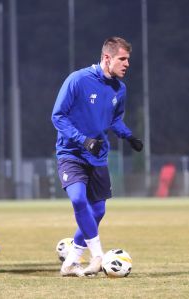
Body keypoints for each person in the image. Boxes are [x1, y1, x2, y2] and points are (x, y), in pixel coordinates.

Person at [51, 36, 143, 277]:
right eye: (122, 59)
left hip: (98, 156)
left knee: (98, 211)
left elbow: (114, 119)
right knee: (79, 200)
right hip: (71, 153)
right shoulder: (78, 80)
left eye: (128, 59)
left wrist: (128, 136)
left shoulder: (119, 89)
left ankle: (71, 261)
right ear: (106, 58)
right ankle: (97, 257)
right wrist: (83, 140)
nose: (126, 64)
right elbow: (57, 116)